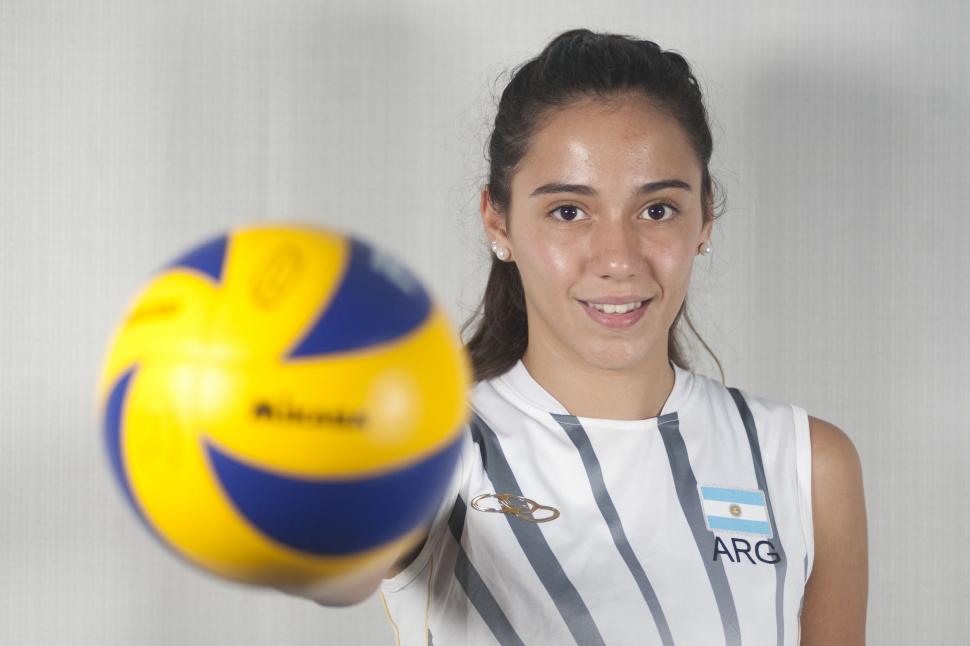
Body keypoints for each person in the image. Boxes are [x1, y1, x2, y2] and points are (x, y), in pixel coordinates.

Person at [312, 29, 868, 645]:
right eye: (569, 212)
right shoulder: (427, 451)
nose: (618, 259)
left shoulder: (806, 465)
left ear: (705, 217)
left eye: (657, 209)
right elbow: (321, 562)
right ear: (498, 221)